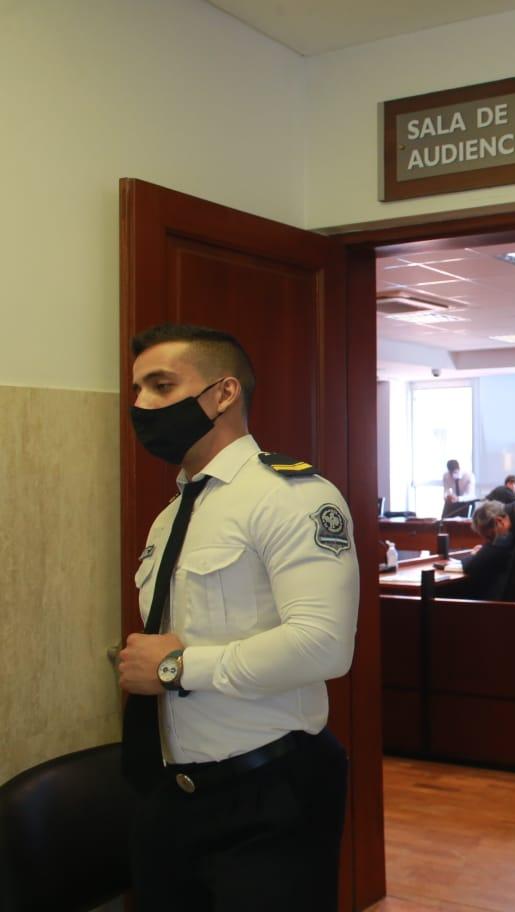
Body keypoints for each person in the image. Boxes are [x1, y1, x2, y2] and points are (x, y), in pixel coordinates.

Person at [119, 323, 359, 911]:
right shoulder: (172, 514)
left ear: (224, 394)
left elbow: (324, 645)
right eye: (137, 390)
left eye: (161, 385)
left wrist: (176, 668)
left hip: (269, 794)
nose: (141, 405)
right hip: (172, 793)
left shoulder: (292, 496)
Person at [457, 494, 515, 599]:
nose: (492, 542)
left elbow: (473, 566)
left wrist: (478, 554)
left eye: (490, 537)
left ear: (499, 522)